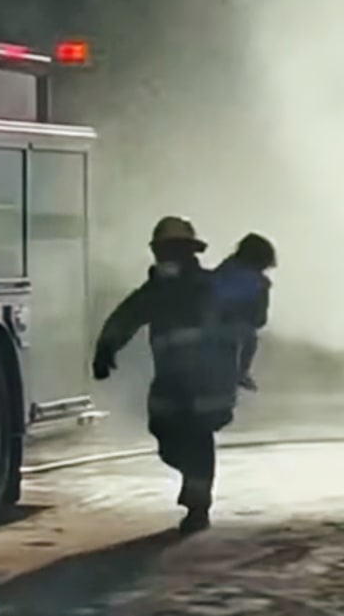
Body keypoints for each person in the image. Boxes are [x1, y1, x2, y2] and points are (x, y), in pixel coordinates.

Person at [92, 216, 240, 535]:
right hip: (170, 381)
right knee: (165, 434)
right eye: (164, 251)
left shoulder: (208, 287)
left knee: (199, 439)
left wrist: (234, 371)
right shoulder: (155, 291)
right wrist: (106, 350)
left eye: (174, 250)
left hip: (204, 381)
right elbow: (127, 316)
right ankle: (193, 485)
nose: (167, 257)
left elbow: (236, 327)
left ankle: (198, 506)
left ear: (189, 252)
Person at [213, 233, 276, 391]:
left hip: (209, 328)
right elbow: (260, 320)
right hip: (234, 331)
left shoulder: (224, 269)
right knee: (250, 336)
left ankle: (239, 374)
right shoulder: (260, 283)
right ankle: (241, 373)